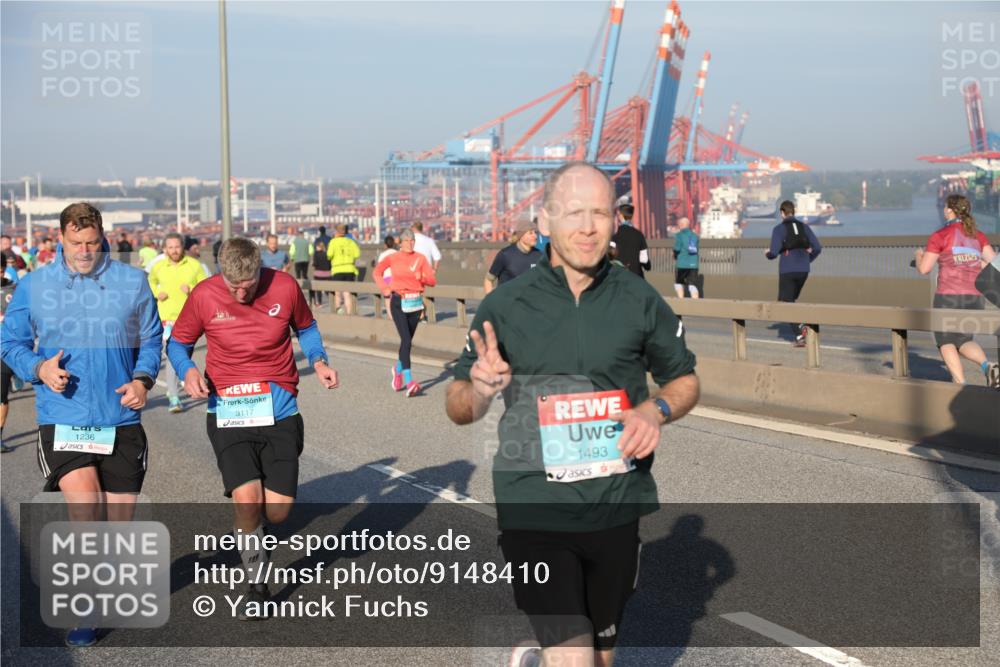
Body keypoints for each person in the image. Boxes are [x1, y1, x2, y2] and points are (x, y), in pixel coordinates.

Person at [445, 162, 699, 667]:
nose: (588, 227)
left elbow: (685, 380)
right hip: (533, 504)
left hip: (614, 502)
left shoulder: (639, 299)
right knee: (576, 659)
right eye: (574, 213)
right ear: (544, 221)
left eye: (600, 213)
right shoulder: (508, 305)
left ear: (615, 221)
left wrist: (656, 408)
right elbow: (459, 407)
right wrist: (478, 389)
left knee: (602, 658)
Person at [0, 203, 162, 647]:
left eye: (92, 242)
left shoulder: (132, 281)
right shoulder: (34, 285)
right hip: (64, 415)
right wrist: (37, 369)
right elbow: (8, 341)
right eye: (76, 244)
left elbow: (150, 337)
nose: (85, 251)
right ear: (60, 240)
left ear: (103, 236)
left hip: (120, 416)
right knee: (86, 509)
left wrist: (143, 378)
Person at [167, 237, 339, 619]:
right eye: (233, 286)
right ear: (221, 274)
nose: (242, 293)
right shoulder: (204, 295)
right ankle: (257, 584)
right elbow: (177, 345)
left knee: (276, 513)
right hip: (229, 412)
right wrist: (188, 370)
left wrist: (320, 360)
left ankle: (257, 528)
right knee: (248, 502)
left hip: (280, 412)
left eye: (249, 285)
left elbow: (307, 329)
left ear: (260, 270)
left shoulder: (285, 286)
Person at [915, 194, 998, 388]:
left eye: (945, 207)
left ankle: (960, 385)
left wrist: (918, 256)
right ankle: (988, 366)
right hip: (975, 297)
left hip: (948, 296)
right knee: (963, 341)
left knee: (945, 341)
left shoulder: (940, 235)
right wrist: (977, 262)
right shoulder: (978, 235)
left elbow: (924, 269)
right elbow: (994, 264)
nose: (944, 210)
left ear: (950, 210)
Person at [148, 232, 208, 413]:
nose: (174, 250)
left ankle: (183, 384)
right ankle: (174, 397)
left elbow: (206, 287)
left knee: (184, 357)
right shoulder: (158, 267)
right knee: (174, 356)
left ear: (183, 247)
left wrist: (191, 289)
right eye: (170, 247)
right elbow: (150, 281)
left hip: (189, 319)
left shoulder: (195, 265)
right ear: (165, 249)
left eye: (177, 246)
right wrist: (156, 293)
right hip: (166, 319)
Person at [374, 229, 436, 397]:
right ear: (400, 242)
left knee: (407, 342)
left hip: (415, 303)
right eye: (407, 240)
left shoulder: (420, 259)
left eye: (413, 240)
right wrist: (385, 288)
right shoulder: (393, 257)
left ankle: (397, 369)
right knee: (406, 340)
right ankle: (409, 381)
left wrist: (421, 276)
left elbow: (432, 281)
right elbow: (377, 272)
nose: (411, 243)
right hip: (398, 301)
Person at [765, 200, 822, 347]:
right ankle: (799, 334)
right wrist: (808, 260)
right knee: (790, 301)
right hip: (804, 270)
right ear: (794, 212)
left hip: (788, 270)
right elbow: (818, 247)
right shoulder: (804, 227)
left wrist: (767, 254)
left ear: (782, 213)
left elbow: (773, 252)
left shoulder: (779, 229)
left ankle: (801, 329)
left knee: (786, 303)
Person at [484, 219, 540, 295]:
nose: (535, 236)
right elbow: (488, 280)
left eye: (535, 232)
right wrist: (491, 302)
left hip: (530, 305)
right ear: (521, 236)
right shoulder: (505, 254)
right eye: (530, 233)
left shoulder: (539, 255)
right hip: (507, 304)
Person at [610, 197, 651, 279]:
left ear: (621, 216)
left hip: (619, 275)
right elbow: (644, 259)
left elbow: (610, 255)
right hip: (636, 275)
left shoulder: (615, 237)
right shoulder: (639, 235)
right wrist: (647, 266)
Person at [326, 223, 361, 315]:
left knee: (337, 293)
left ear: (336, 231)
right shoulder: (351, 242)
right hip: (350, 269)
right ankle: (349, 313)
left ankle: (338, 311)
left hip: (337, 270)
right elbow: (357, 254)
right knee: (347, 293)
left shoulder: (333, 242)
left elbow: (329, 255)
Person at [672, 217, 701, 298]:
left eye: (679, 225)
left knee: (679, 283)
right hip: (693, 265)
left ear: (681, 225)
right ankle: (696, 305)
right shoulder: (694, 236)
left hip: (682, 264)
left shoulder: (679, 235)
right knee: (692, 286)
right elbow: (692, 250)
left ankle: (681, 303)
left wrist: (674, 254)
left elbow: (677, 248)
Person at [374, 236, 398, 316]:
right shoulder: (398, 253)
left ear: (385, 245)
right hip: (397, 278)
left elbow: (379, 268)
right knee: (397, 298)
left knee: (387, 298)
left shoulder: (383, 255)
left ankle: (390, 316)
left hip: (387, 278)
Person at [311, 238, 332, 308]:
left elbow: (315, 264)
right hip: (327, 274)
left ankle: (320, 303)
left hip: (318, 274)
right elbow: (330, 264)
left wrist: (313, 264)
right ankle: (332, 300)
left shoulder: (316, 254)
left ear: (319, 247)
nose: (316, 248)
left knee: (318, 289)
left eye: (317, 246)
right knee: (327, 288)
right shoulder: (327, 254)